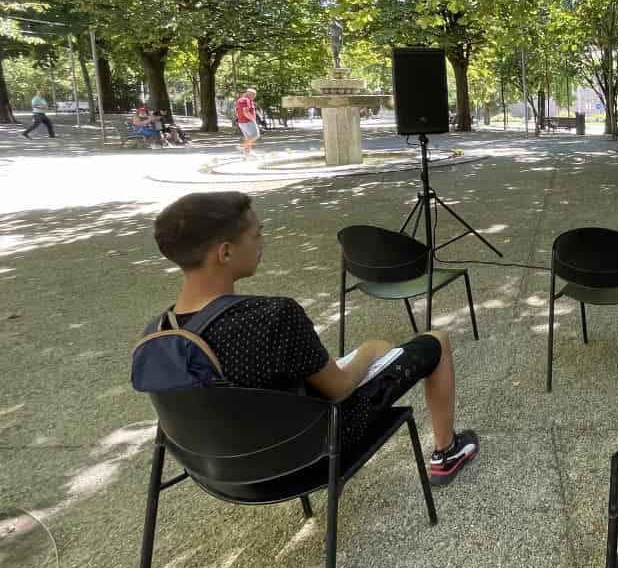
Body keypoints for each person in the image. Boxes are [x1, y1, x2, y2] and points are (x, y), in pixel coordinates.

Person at [149, 192, 479, 485]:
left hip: (221, 470)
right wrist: (367, 351)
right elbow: (338, 389)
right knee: (436, 340)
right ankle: (446, 453)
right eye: (256, 234)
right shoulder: (274, 316)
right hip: (311, 451)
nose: (262, 241)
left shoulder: (158, 333)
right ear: (225, 253)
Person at [234, 88, 260, 160]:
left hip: (243, 122)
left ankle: (247, 155)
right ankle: (242, 146)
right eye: (254, 95)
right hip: (247, 122)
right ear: (249, 93)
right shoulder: (245, 100)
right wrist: (253, 119)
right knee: (255, 135)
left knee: (248, 138)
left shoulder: (243, 100)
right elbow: (245, 112)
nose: (254, 96)